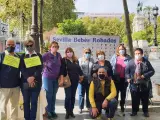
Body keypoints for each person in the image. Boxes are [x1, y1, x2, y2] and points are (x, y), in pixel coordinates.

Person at [125, 48, 155, 117]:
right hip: (134, 84)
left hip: (144, 83)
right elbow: (126, 72)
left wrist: (144, 75)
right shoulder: (131, 62)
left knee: (145, 98)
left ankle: (145, 111)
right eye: (136, 54)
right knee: (135, 98)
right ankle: (134, 111)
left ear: (142, 54)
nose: (137, 55)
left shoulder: (146, 62)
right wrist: (128, 78)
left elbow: (152, 71)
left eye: (139, 54)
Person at [20, 39, 43, 120]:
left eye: (31, 45)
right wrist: (28, 78)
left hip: (36, 82)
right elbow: (22, 69)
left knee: (33, 102)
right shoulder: (22, 56)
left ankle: (32, 118)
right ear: (25, 46)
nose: (29, 47)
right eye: (27, 46)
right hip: (25, 83)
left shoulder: (38, 56)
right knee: (26, 102)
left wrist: (33, 77)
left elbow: (40, 68)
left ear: (33, 45)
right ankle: (27, 118)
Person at [0, 38, 21, 120]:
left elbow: (21, 70)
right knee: (2, 107)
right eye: (9, 44)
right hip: (4, 87)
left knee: (14, 106)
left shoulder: (18, 57)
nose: (10, 46)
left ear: (15, 45)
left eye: (12, 44)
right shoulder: (1, 56)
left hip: (16, 86)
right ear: (6, 45)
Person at [42, 41, 63, 119]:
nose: (54, 48)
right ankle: (48, 111)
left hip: (56, 78)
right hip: (47, 77)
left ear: (58, 48)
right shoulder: (46, 55)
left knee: (54, 95)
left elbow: (61, 66)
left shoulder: (58, 55)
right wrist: (42, 70)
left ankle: (53, 110)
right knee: (49, 95)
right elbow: (39, 62)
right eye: (53, 46)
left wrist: (61, 77)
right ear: (50, 47)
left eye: (56, 46)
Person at [61, 47, 83, 119]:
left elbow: (79, 69)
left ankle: (71, 111)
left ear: (73, 52)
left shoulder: (76, 60)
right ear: (66, 53)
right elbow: (62, 70)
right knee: (68, 96)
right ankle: (67, 111)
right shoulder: (64, 60)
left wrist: (81, 76)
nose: (69, 53)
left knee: (73, 96)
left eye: (70, 52)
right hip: (67, 81)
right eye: (67, 52)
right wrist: (61, 80)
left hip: (75, 81)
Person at [110, 44, 131, 112]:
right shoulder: (115, 57)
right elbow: (111, 66)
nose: (121, 50)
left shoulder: (128, 58)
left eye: (122, 49)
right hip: (116, 78)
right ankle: (115, 106)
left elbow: (131, 68)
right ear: (118, 50)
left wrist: (130, 77)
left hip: (124, 78)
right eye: (120, 49)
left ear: (125, 50)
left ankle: (122, 105)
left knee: (123, 94)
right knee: (115, 93)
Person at [78, 48, 94, 113]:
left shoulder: (92, 60)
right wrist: (79, 77)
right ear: (83, 53)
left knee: (88, 94)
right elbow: (78, 69)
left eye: (89, 52)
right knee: (81, 94)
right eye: (86, 52)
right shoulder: (80, 60)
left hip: (89, 80)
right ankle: (80, 108)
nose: (87, 54)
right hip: (82, 80)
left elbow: (94, 69)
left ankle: (88, 107)